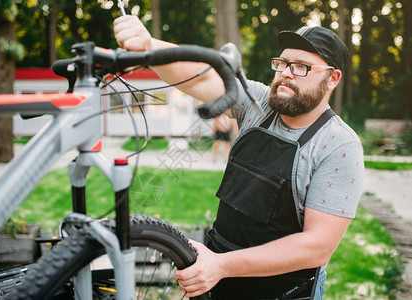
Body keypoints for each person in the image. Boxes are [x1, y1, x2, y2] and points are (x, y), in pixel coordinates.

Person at [114, 16, 364, 300]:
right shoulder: (256, 106)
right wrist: (149, 46)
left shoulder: (339, 145)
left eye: (302, 67)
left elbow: (316, 246)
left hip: (280, 292)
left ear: (332, 78)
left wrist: (222, 266)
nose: (285, 73)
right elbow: (205, 75)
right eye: (282, 63)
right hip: (215, 278)